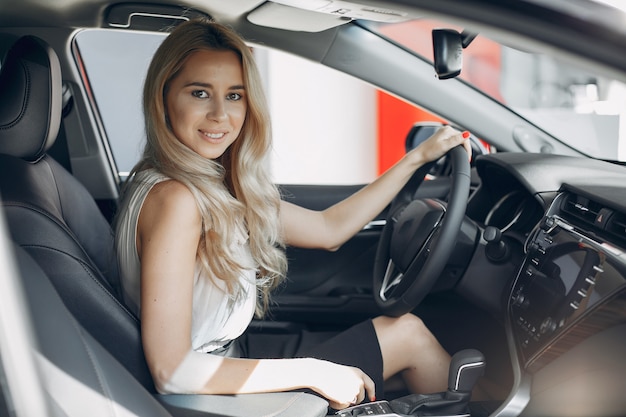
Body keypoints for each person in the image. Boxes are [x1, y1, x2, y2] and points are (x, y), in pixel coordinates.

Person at [114, 17, 471, 411]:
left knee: (403, 340)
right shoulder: (177, 199)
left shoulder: (206, 184)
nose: (220, 114)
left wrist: (416, 158)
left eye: (235, 96)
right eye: (200, 93)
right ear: (163, 98)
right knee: (408, 337)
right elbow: (171, 370)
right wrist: (312, 371)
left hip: (229, 356)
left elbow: (328, 228)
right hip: (205, 392)